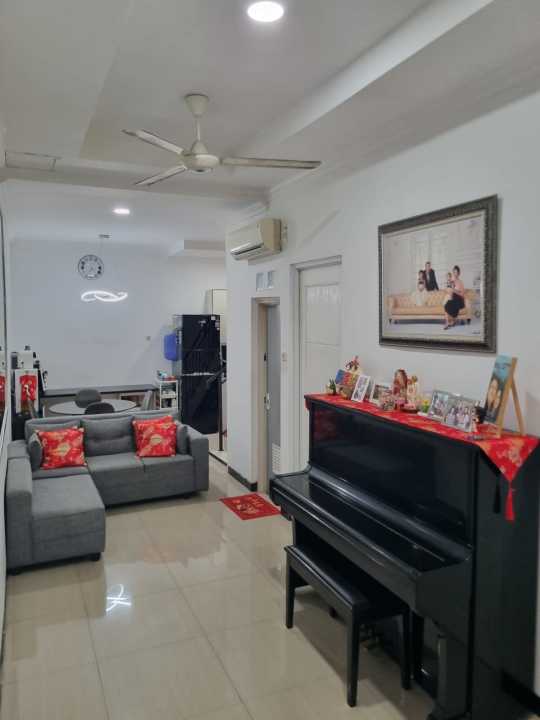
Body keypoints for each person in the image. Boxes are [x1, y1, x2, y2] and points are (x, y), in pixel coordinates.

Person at [444, 265, 465, 329]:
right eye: (454, 272)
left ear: (458, 273)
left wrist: (454, 290)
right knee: (447, 304)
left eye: (456, 272)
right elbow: (448, 289)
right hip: (454, 298)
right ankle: (447, 323)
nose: (455, 274)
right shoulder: (452, 281)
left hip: (459, 299)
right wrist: (450, 289)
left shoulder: (460, 282)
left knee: (450, 304)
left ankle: (452, 322)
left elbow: (462, 294)